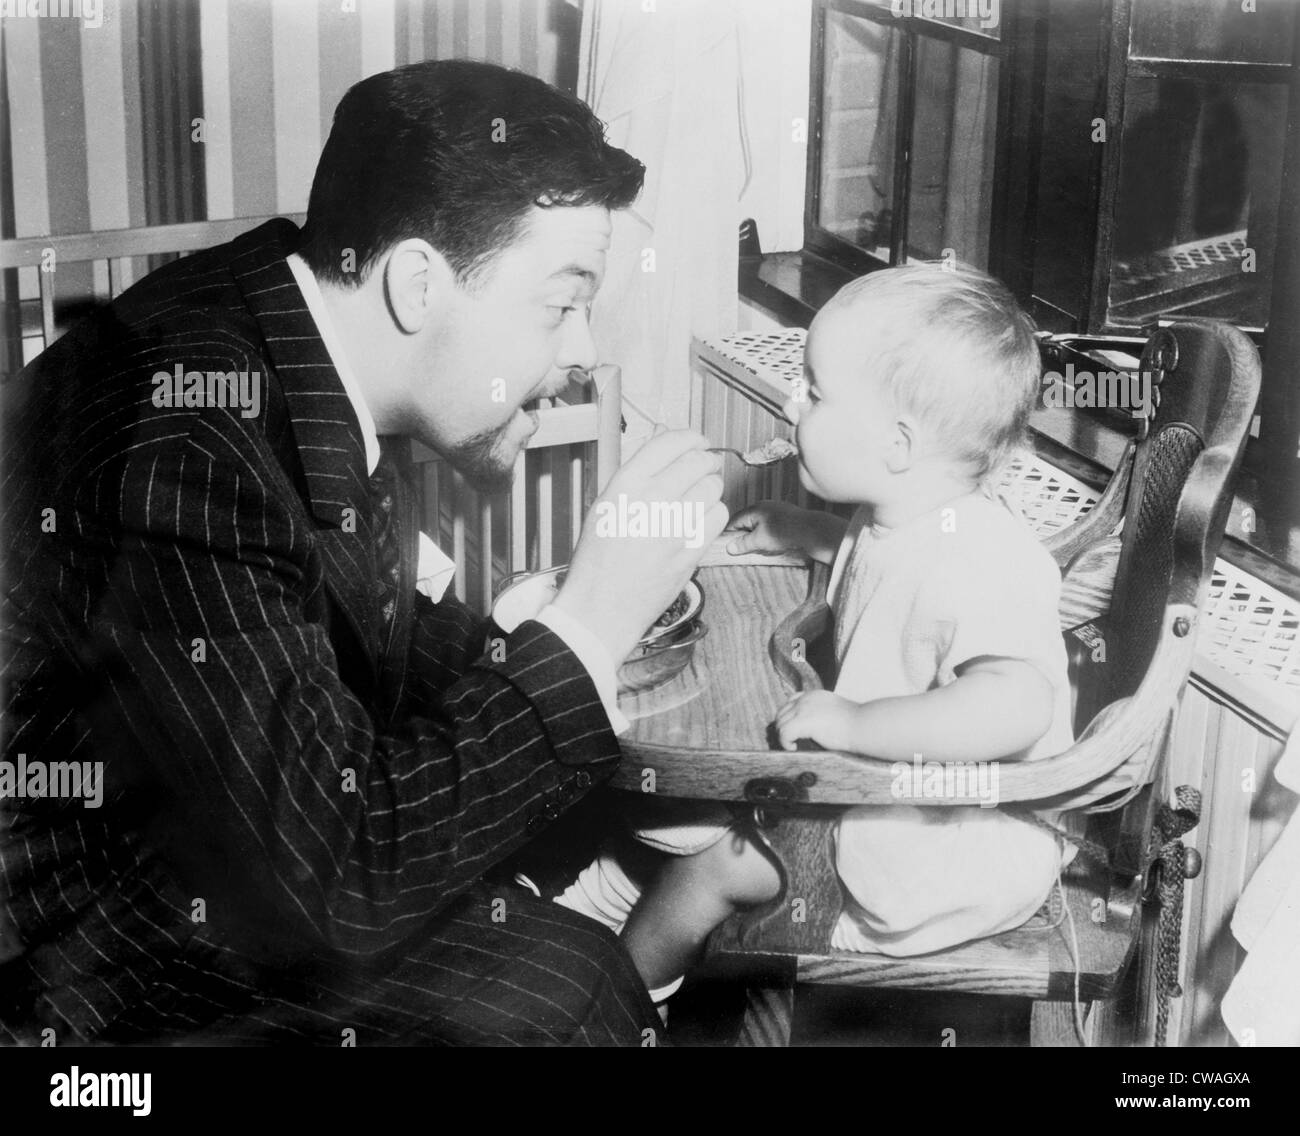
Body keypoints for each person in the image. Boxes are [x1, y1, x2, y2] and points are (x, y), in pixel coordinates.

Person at [0, 59, 727, 1047]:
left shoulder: (284, 325)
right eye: (560, 302)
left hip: (182, 822)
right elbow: (336, 887)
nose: (579, 351)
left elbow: (322, 633)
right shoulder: (184, 442)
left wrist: (536, 620)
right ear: (418, 280)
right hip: (71, 946)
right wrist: (589, 621)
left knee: (565, 867)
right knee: (565, 986)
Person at [555, 264, 1074, 997]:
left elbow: (1017, 703)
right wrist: (807, 530)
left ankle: (619, 1008)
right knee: (672, 816)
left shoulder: (986, 556)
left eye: (817, 392)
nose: (794, 402)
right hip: (885, 798)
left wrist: (860, 721)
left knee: (718, 860)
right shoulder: (905, 511)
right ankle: (570, 927)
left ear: (897, 444)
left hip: (953, 845)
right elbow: (886, 563)